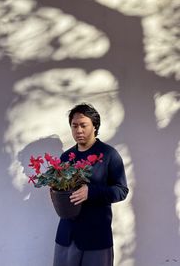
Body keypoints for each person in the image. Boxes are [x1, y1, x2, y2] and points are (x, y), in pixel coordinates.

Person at [53, 103, 129, 266]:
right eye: (74, 126)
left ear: (94, 126)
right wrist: (54, 192)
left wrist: (91, 192)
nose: (78, 130)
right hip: (68, 236)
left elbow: (121, 190)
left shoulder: (109, 154)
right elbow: (59, 189)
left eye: (83, 125)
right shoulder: (66, 157)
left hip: (97, 237)